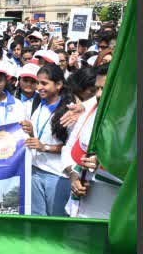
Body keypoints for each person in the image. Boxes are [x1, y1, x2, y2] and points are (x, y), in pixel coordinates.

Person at [62, 66, 119, 218]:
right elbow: (68, 148)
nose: (99, 94)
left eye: (104, 89)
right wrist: (74, 175)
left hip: (108, 215)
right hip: (77, 210)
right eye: (97, 89)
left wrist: (102, 163)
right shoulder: (89, 111)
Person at [22, 62, 73, 217]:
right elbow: (38, 138)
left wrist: (45, 147)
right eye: (38, 82)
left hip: (57, 174)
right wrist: (31, 133)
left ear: (58, 85)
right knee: (38, 220)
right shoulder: (38, 103)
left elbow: (69, 147)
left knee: (56, 220)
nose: (39, 87)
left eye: (44, 83)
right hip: (34, 170)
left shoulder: (69, 111)